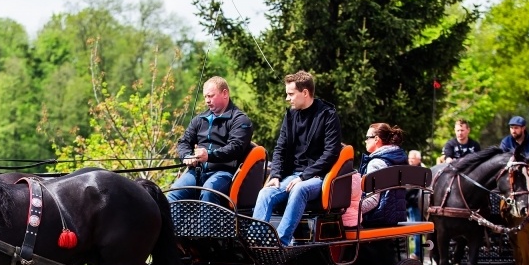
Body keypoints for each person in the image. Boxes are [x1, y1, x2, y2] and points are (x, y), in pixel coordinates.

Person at [252, 70, 342, 245]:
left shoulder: (327, 115)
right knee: (265, 193)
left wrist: (303, 176)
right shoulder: (290, 115)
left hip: (318, 177)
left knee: (299, 189)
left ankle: (280, 243)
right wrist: (275, 175)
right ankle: (256, 243)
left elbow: (331, 153)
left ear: (305, 93)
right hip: (291, 176)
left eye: (291, 94)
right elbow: (280, 148)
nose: (287, 98)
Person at [166, 76, 253, 204]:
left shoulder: (240, 120)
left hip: (225, 173)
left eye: (211, 96)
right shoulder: (199, 120)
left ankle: (208, 219)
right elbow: (184, 142)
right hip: (197, 172)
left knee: (208, 191)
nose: (207, 100)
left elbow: (235, 148)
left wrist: (209, 155)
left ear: (225, 94)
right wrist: (186, 156)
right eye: (205, 97)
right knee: (173, 194)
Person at [360, 123, 408, 227]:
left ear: (376, 139)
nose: (365, 141)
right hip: (396, 217)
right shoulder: (399, 160)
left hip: (377, 218)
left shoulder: (376, 163)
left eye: (367, 137)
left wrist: (353, 210)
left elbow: (373, 201)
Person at [406, 149, 424, 259]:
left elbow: (412, 188)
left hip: (415, 204)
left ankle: (417, 253)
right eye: (409, 158)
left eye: (413, 158)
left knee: (416, 229)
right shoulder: (408, 170)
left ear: (419, 160)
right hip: (408, 203)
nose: (410, 160)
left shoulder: (420, 171)